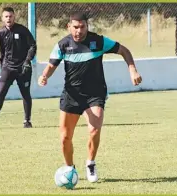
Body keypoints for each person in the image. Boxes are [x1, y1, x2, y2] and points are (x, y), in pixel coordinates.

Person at [38, 12, 142, 182]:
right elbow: (51, 65)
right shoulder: (63, 45)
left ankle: (90, 163)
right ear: (69, 27)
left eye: (82, 27)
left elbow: (124, 50)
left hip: (95, 94)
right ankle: (69, 169)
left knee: (94, 129)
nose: (79, 31)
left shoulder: (98, 41)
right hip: (72, 95)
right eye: (75, 27)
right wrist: (44, 76)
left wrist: (132, 69)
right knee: (65, 138)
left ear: (87, 26)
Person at [0, 7, 37, 129]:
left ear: (14, 17)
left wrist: (27, 61)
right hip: (7, 68)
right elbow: (2, 52)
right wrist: (2, 67)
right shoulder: (1, 33)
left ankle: (27, 121)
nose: (8, 19)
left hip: (23, 68)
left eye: (10, 16)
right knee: (0, 93)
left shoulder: (23, 30)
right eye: (6, 16)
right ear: (2, 18)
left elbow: (32, 46)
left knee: (25, 94)